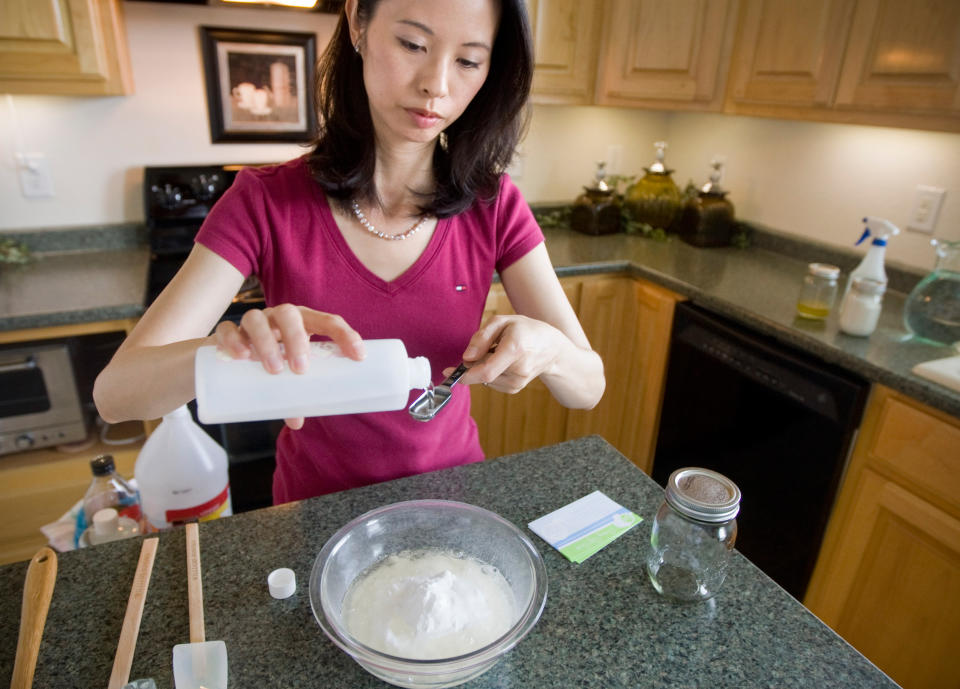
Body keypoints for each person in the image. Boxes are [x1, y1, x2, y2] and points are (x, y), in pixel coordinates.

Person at [94, 0, 604, 504]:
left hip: (449, 500)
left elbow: (588, 386)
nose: (437, 85)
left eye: (468, 61)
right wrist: (230, 353)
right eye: (413, 44)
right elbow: (116, 394)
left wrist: (550, 350)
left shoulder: (494, 205)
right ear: (359, 22)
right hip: (316, 512)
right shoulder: (264, 201)